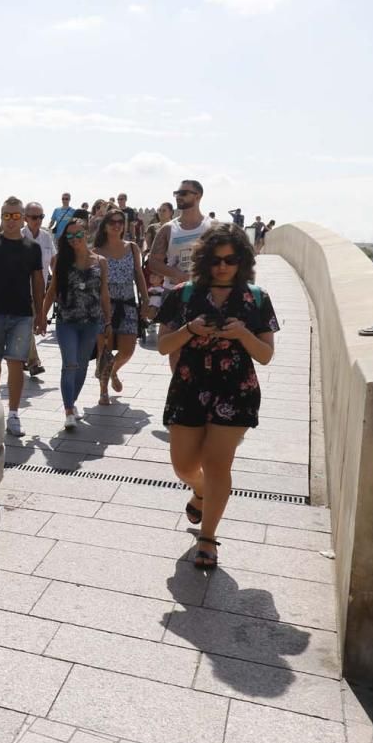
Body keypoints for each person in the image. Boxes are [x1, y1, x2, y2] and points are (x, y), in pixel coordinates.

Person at [156, 223, 278, 569]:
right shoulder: (182, 294)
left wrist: (242, 333)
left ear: (242, 260)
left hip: (235, 391)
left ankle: (208, 539)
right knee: (183, 466)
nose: (223, 266)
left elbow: (266, 355)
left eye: (231, 259)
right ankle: (201, 491)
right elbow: (163, 345)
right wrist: (189, 329)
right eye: (216, 259)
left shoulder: (255, 298)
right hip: (189, 387)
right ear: (204, 260)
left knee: (217, 463)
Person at [0, 196, 47, 437]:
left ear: (23, 218)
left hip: (22, 315)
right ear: (1, 217)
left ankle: (13, 414)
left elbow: (38, 282)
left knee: (16, 362)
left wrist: (41, 314)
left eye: (16, 216)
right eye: (7, 215)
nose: (12, 220)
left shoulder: (32, 248)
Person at [42, 213, 110, 429]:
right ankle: (69, 410)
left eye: (78, 234)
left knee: (81, 367)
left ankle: (72, 401)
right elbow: (52, 292)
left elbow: (104, 293)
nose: (74, 239)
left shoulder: (100, 262)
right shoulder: (59, 260)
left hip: (91, 322)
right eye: (69, 236)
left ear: (86, 234)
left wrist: (108, 321)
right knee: (69, 364)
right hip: (67, 322)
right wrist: (41, 317)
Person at [93, 207, 149, 405]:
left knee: (128, 350)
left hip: (127, 304)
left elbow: (139, 275)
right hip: (104, 306)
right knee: (104, 350)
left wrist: (145, 299)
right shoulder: (96, 251)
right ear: (105, 226)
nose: (117, 225)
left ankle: (113, 371)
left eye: (120, 222)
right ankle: (103, 390)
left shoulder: (132, 247)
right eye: (112, 222)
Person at [147, 180, 217, 287]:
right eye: (177, 193)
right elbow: (154, 262)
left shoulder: (212, 226)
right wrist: (179, 275)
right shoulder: (168, 228)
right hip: (174, 292)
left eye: (183, 193)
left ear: (198, 196)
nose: (178, 197)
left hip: (205, 290)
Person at [22, 201, 55, 377]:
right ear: (25, 218)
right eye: (34, 217)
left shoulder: (46, 237)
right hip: (20, 291)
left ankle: (20, 356)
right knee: (27, 325)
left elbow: (53, 262)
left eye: (41, 217)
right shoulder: (18, 236)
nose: (38, 220)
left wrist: (58, 282)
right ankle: (34, 361)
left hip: (39, 290)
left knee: (34, 326)